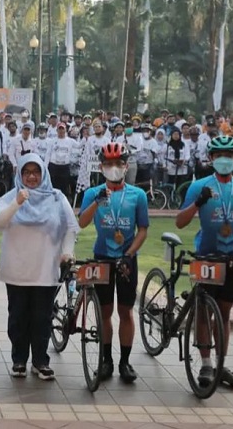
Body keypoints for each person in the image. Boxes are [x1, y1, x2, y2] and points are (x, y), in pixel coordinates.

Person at [176, 136, 233, 387]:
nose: (224, 159)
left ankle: (221, 364)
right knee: (203, 311)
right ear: (211, 158)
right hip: (206, 257)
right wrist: (199, 201)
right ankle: (205, 364)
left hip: (232, 260)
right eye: (219, 155)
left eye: (230, 155)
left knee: (224, 314)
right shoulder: (198, 185)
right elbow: (180, 222)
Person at [0, 153, 78, 380]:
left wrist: (67, 253)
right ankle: (19, 360)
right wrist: (17, 203)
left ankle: (40, 361)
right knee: (18, 317)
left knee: (42, 318)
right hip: (17, 269)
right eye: (27, 172)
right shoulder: (11, 197)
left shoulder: (57, 197)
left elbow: (70, 228)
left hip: (46, 269)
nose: (31, 177)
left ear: (43, 173)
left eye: (36, 171)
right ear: (20, 174)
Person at [78, 143, 149, 383]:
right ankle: (106, 360)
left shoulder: (137, 195)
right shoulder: (92, 192)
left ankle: (125, 362)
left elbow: (143, 230)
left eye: (119, 163)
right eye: (108, 164)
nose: (114, 168)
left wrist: (130, 253)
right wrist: (97, 202)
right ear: (101, 167)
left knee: (126, 311)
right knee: (105, 311)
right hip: (102, 257)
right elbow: (82, 223)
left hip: (127, 258)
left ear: (126, 166)